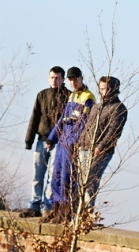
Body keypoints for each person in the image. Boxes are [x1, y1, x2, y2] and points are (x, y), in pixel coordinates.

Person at [42, 66, 94, 223]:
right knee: (56, 176)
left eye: (75, 79)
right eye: (70, 80)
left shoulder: (88, 98)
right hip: (62, 141)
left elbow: (83, 123)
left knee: (67, 178)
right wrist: (52, 138)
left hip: (72, 143)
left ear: (81, 78)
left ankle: (65, 211)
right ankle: (55, 208)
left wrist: (73, 142)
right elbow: (62, 119)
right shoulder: (72, 96)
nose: (73, 83)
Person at [19, 66, 68, 218]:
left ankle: (46, 206)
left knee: (52, 176)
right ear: (48, 78)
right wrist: (29, 140)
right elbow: (34, 117)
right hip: (41, 140)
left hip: (58, 143)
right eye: (52, 77)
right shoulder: (42, 95)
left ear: (63, 79)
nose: (54, 80)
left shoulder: (68, 97)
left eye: (57, 78)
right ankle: (34, 205)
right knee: (37, 175)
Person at [80, 75, 128, 210]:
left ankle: (87, 212)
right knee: (81, 182)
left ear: (114, 89)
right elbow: (88, 126)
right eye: (101, 89)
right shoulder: (96, 107)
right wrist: (80, 143)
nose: (103, 92)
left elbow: (114, 132)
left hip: (101, 151)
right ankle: (79, 211)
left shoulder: (119, 108)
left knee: (91, 181)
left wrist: (100, 147)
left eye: (106, 89)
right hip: (85, 147)